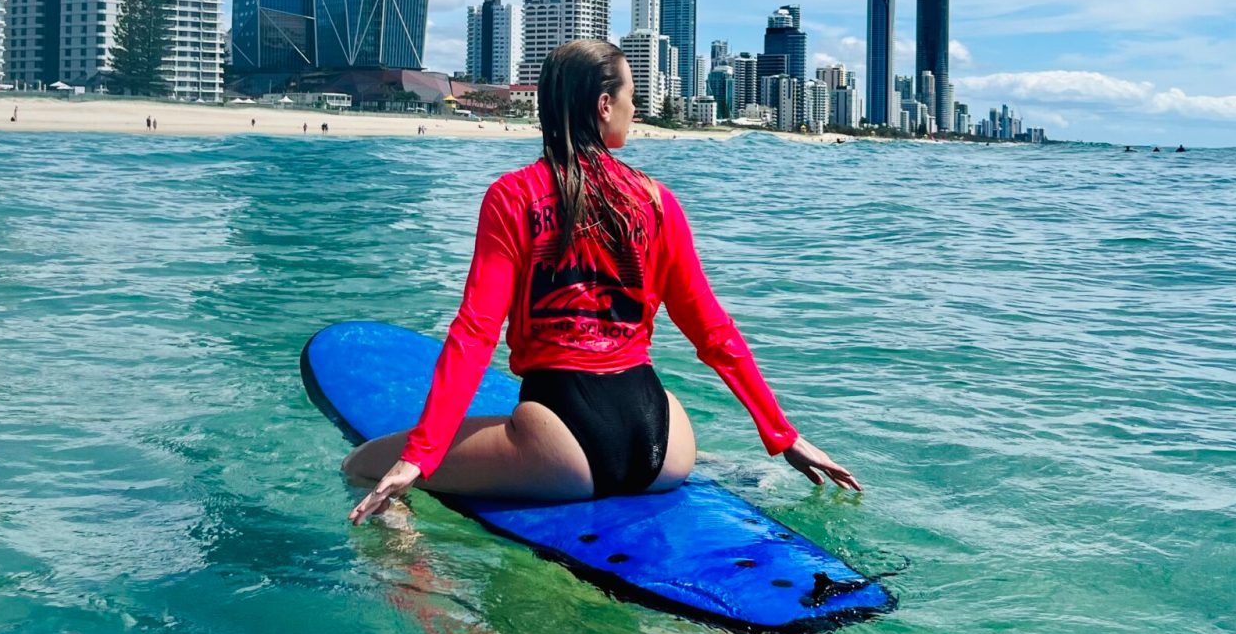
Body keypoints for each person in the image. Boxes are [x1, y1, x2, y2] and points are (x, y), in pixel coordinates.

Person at [344, 40, 859, 524]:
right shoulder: (658, 202)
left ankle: (410, 561)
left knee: (363, 465)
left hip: (561, 442)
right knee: (667, 447)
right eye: (632, 97)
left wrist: (420, 457)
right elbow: (712, 330)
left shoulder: (512, 196)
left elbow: (475, 333)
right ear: (605, 106)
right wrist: (782, 435)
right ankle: (726, 473)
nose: (635, 110)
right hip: (666, 442)